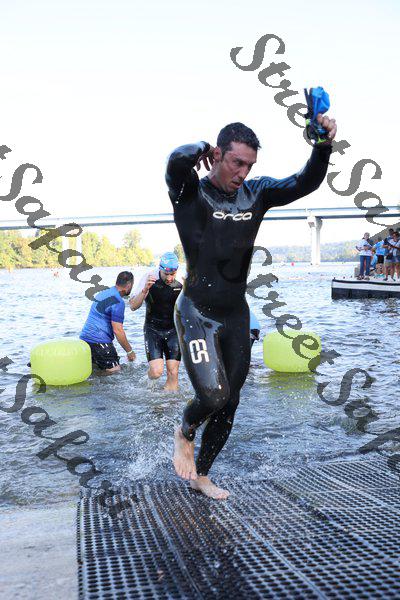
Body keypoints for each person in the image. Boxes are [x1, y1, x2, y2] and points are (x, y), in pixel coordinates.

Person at [166, 115, 336, 499]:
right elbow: (175, 163)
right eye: (236, 162)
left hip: (235, 313)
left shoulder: (256, 193)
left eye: (249, 165)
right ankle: (184, 431)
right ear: (217, 155)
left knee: (231, 402)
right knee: (213, 396)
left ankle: (201, 476)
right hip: (196, 312)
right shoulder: (190, 193)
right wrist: (198, 148)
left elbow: (305, 182)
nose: (243, 173)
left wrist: (322, 145)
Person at [129, 252, 182, 391]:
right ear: (160, 269)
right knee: (156, 372)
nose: (169, 278)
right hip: (153, 329)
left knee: (173, 372)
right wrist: (145, 290)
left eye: (173, 274)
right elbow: (133, 306)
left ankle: (168, 401)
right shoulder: (149, 277)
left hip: (174, 330)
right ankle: (147, 380)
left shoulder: (183, 281)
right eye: (166, 274)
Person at [80, 271, 135, 373]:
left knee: (95, 371)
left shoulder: (103, 293)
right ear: (129, 285)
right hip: (99, 341)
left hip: (84, 339)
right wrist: (129, 351)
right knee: (115, 372)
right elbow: (118, 330)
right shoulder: (118, 301)